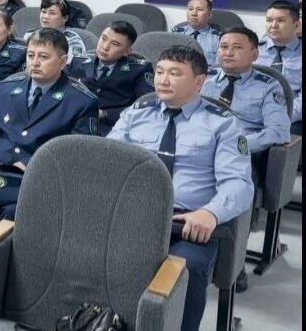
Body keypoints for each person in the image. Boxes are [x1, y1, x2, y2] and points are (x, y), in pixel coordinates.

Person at [108, 46, 253, 331]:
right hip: (132, 215)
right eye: (159, 72)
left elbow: (239, 183)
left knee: (186, 269)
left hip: (187, 222)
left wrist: (210, 214)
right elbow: (108, 161)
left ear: (199, 82)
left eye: (174, 73)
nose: (163, 80)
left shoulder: (222, 124)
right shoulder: (136, 113)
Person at [0, 28, 99, 218]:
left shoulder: (81, 101)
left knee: (9, 218)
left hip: (37, 182)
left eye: (43, 57)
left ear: (63, 62)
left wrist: (36, 166)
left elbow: (77, 156)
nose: (34, 62)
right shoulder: (6, 88)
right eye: (30, 55)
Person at [202, 27, 290, 156]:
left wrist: (234, 146)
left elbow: (278, 132)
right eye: (224, 47)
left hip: (239, 154)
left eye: (237, 47)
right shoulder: (202, 78)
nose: (228, 53)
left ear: (255, 54)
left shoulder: (269, 86)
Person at [66, 21, 154, 135]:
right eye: (103, 38)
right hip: (73, 122)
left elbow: (146, 106)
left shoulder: (140, 69)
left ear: (127, 51)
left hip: (112, 129)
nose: (105, 46)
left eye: (115, 44)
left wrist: (105, 114)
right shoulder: (79, 61)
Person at [257, 0, 302, 125]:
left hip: (288, 118)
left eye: (281, 20)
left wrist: (279, 118)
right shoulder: (253, 49)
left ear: (296, 25)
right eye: (269, 20)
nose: (273, 25)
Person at [22, 0, 87, 62]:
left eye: (52, 13)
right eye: (43, 12)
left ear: (65, 18)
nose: (45, 16)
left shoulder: (72, 40)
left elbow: (72, 66)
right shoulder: (30, 34)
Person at [171, 0, 222, 67]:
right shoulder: (175, 34)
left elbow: (219, 67)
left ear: (210, 15)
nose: (194, 13)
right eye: (190, 9)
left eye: (199, 9)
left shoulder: (218, 38)